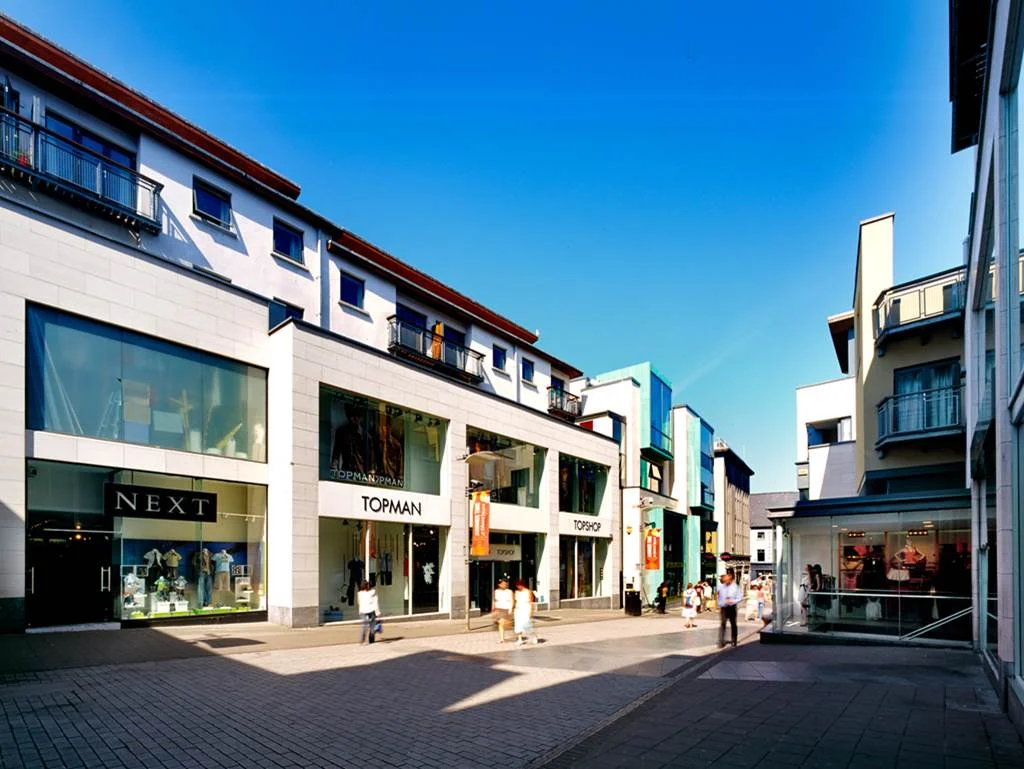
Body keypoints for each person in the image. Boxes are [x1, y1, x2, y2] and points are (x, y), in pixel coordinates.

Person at [717, 571, 741, 648]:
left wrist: (733, 601)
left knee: (733, 624)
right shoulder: (721, 587)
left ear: (730, 579)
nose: (725, 581)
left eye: (727, 580)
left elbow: (739, 597)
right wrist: (720, 604)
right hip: (724, 608)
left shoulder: (735, 587)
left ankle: (734, 640)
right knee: (722, 624)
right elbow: (719, 597)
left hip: (732, 607)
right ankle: (721, 641)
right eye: (725, 580)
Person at [513, 579, 537, 646]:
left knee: (527, 625)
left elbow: (531, 602)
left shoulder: (528, 592)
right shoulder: (516, 592)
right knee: (518, 625)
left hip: (526, 609)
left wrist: (531, 612)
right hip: (518, 610)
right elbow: (515, 601)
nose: (518, 587)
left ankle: (533, 636)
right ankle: (520, 639)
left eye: (519, 585)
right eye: (517, 586)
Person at [493, 578, 514, 644]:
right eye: (502, 584)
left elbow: (512, 600)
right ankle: (502, 639)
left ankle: (516, 633)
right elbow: (494, 600)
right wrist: (494, 608)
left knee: (505, 624)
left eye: (505, 584)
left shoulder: (509, 591)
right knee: (501, 624)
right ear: (499, 584)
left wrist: (511, 609)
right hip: (499, 609)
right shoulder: (496, 591)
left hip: (506, 609)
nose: (503, 585)